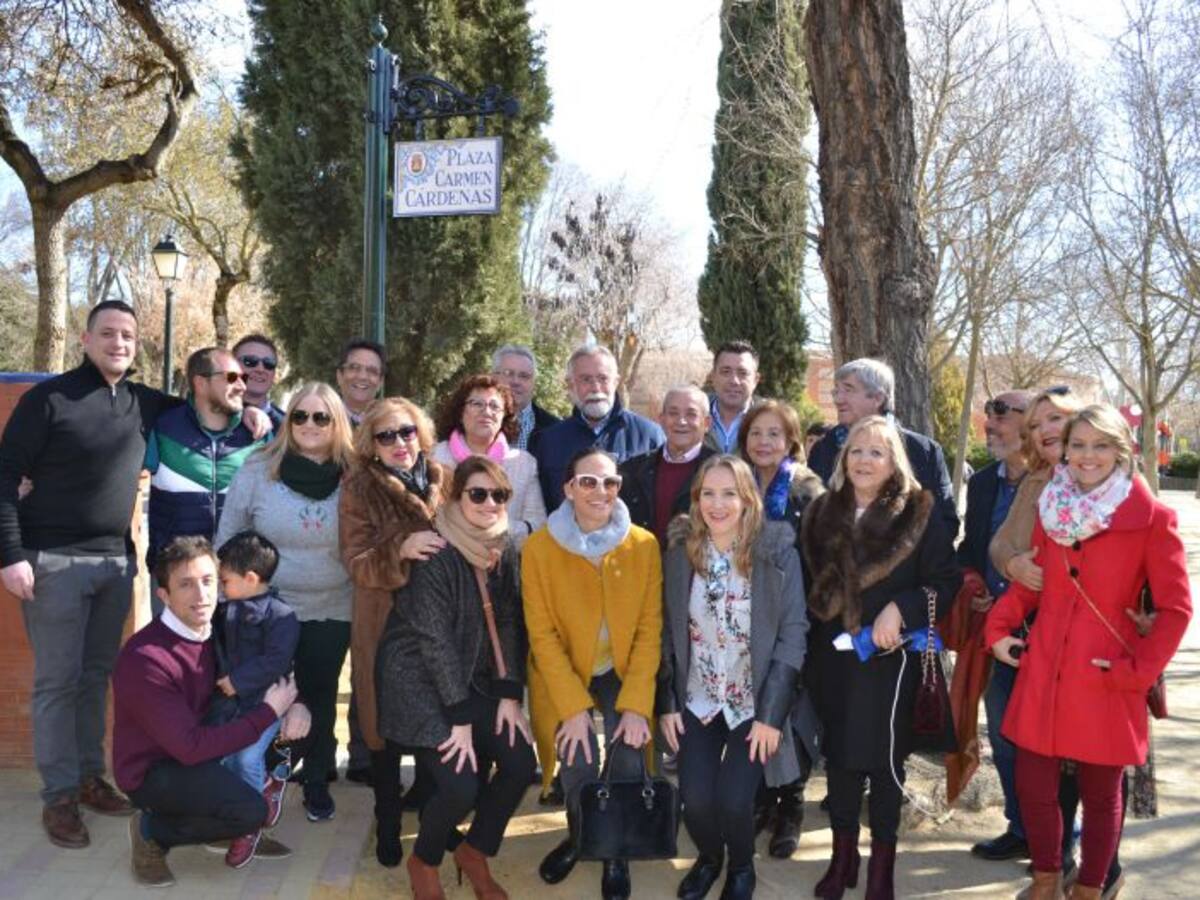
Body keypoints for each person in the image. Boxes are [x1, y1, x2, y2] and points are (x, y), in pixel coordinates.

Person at [0, 299, 269, 849]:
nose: (118, 342)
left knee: (96, 677)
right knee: (57, 682)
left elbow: (206, 400)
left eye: (127, 334)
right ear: (85, 339)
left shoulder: (144, 403)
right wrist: (10, 554)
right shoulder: (48, 399)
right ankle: (59, 798)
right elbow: (5, 475)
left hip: (115, 563)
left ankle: (88, 777)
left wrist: (253, 412)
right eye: (107, 333)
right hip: (52, 560)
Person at [986, 405, 1192, 900]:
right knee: (1034, 787)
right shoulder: (1052, 506)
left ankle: (1090, 889)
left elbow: (1176, 610)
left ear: (1121, 451)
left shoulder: (1152, 518)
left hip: (1105, 674)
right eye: (1077, 445)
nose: (1087, 456)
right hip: (1044, 669)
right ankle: (1045, 881)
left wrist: (1136, 672)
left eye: (1100, 445)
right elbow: (1033, 583)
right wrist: (997, 628)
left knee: (1101, 795)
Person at [801, 416, 961, 900]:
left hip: (892, 662)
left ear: (894, 462)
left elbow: (946, 581)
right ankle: (842, 859)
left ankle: (881, 870)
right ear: (843, 458)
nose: (864, 460)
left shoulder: (918, 512)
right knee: (840, 762)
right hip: (832, 659)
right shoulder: (820, 511)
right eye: (856, 450)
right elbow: (805, 589)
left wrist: (902, 608)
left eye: (877, 452)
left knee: (885, 766)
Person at [377, 457, 536, 899]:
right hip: (418, 682)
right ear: (455, 497)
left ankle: (474, 851)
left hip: (473, 679)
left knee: (520, 763)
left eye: (499, 495)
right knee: (461, 785)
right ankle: (424, 861)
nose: (490, 503)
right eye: (477, 494)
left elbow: (509, 622)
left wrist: (510, 693)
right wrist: (460, 718)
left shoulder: (504, 546)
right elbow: (435, 641)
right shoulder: (435, 552)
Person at [113, 536, 309, 887]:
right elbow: (189, 748)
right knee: (251, 811)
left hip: (205, 746)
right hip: (156, 769)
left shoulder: (218, 627)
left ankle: (227, 824)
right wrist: (268, 712)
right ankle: (151, 830)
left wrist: (296, 703)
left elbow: (268, 663)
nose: (201, 594)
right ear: (164, 596)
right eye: (185, 584)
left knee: (296, 740)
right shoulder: (146, 659)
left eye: (208, 581)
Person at [658, 455, 808, 900]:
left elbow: (793, 635)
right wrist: (666, 703)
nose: (717, 504)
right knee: (696, 799)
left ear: (748, 500)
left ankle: (742, 866)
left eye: (729, 494)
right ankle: (710, 858)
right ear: (696, 499)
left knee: (735, 800)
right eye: (708, 493)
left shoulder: (777, 555)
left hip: (752, 701)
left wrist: (771, 716)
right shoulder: (680, 555)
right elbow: (665, 631)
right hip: (699, 696)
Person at [524, 448, 662, 900]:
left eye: (610, 482)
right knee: (577, 756)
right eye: (588, 481)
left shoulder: (643, 545)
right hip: (566, 669)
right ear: (568, 488)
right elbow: (542, 636)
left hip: (622, 669)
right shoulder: (539, 548)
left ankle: (614, 848)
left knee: (628, 754)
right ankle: (582, 835)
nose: (600, 491)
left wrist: (636, 706)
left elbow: (650, 630)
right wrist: (573, 708)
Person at [215, 382, 355, 823]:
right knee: (270, 692)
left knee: (319, 691)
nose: (310, 425)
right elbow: (228, 536)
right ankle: (261, 775)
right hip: (269, 609)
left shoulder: (356, 474)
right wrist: (227, 598)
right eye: (300, 415)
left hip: (334, 605)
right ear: (288, 421)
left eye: (321, 417)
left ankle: (316, 779)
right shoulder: (259, 468)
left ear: (337, 423)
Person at [339, 396, 447, 867]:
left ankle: (432, 812)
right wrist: (400, 549)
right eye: (386, 436)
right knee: (382, 728)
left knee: (436, 720)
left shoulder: (444, 477)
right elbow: (355, 561)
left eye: (406, 432)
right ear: (372, 444)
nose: (399, 442)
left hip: (438, 622)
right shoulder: (359, 487)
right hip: (384, 619)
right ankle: (386, 822)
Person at [734, 398, 823, 857]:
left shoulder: (807, 492)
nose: (764, 442)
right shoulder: (735, 483)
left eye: (774, 433)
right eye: (756, 433)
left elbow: (823, 563)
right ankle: (765, 797)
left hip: (795, 618)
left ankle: (792, 803)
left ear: (791, 441)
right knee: (757, 707)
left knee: (790, 710)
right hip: (744, 619)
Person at [954, 391, 1037, 862]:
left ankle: (1060, 838)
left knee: (1047, 746)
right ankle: (1021, 827)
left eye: (1002, 414)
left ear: (1032, 422)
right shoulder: (984, 483)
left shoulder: (1057, 481)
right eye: (988, 414)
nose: (990, 423)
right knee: (1003, 736)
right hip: (996, 634)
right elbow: (971, 547)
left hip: (1045, 633)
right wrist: (973, 581)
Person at [205, 530, 300, 868]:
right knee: (225, 760)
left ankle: (248, 825)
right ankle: (264, 788)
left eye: (225, 581)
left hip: (265, 705)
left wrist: (238, 681)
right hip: (227, 706)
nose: (220, 587)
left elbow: (276, 660)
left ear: (250, 578)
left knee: (245, 759)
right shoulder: (222, 610)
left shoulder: (281, 615)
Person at [145, 347, 269, 590]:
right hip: (177, 577)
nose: (242, 386)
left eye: (243, 377)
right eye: (232, 377)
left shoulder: (258, 434)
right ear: (200, 383)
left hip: (240, 579)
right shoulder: (162, 429)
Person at [807, 358, 958, 536]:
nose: (838, 399)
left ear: (878, 398)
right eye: (836, 391)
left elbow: (945, 524)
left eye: (848, 390)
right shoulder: (823, 449)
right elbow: (809, 519)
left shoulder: (923, 452)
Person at [532, 345, 665, 511]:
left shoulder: (649, 436)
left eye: (603, 378)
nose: (595, 388)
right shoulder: (549, 441)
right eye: (586, 379)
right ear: (570, 385)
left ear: (616, 382)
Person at [433, 374, 547, 546]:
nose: (486, 412)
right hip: (445, 557)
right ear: (460, 412)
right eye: (477, 404)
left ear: (504, 416)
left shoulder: (524, 464)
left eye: (495, 406)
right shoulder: (435, 457)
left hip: (505, 558)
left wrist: (494, 528)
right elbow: (426, 517)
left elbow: (537, 526)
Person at [619, 384, 715, 545]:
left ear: (706, 423)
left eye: (691, 414)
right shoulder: (632, 470)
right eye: (673, 413)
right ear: (661, 420)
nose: (681, 421)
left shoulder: (722, 471)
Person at [493, 344, 561, 450]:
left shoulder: (555, 430)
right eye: (508, 373)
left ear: (534, 383)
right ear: (493, 377)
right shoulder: (475, 421)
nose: (516, 381)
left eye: (524, 376)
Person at [704, 340, 761, 454]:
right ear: (713, 377)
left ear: (755, 380)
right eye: (726, 372)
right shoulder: (691, 417)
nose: (734, 381)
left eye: (743, 373)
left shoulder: (773, 420)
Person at [232, 333, 286, 428]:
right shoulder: (209, 414)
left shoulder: (287, 427)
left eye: (268, 363)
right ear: (231, 366)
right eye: (250, 361)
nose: (260, 369)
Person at [336, 338, 386, 426]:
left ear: (380, 382)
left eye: (372, 371)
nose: (362, 376)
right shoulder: (320, 419)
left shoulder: (389, 424)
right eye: (354, 367)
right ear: (339, 376)